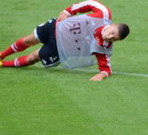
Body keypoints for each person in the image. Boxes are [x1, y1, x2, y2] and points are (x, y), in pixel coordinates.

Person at [0, 1, 130, 81]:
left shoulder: (104, 47)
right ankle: (2, 54)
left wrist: (102, 76)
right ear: (113, 25)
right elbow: (90, 3)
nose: (110, 37)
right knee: (29, 39)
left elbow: (106, 69)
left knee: (33, 57)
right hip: (57, 26)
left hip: (59, 48)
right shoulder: (104, 14)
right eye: (112, 33)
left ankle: (3, 64)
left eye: (114, 38)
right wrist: (68, 11)